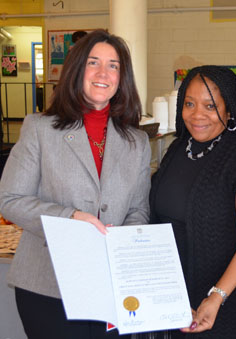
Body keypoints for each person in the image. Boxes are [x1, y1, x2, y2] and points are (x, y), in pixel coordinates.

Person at [0, 29, 151, 339]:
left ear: (122, 78)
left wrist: (123, 244)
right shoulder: (40, 129)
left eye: (113, 65)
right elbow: (10, 199)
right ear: (76, 69)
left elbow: (138, 210)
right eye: (93, 63)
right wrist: (70, 218)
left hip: (110, 286)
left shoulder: (136, 141)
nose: (102, 73)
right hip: (47, 285)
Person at [144, 65, 236, 338]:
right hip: (175, 302)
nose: (197, 114)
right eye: (189, 104)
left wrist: (216, 296)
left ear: (229, 110)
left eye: (210, 106)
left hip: (224, 305)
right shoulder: (178, 148)